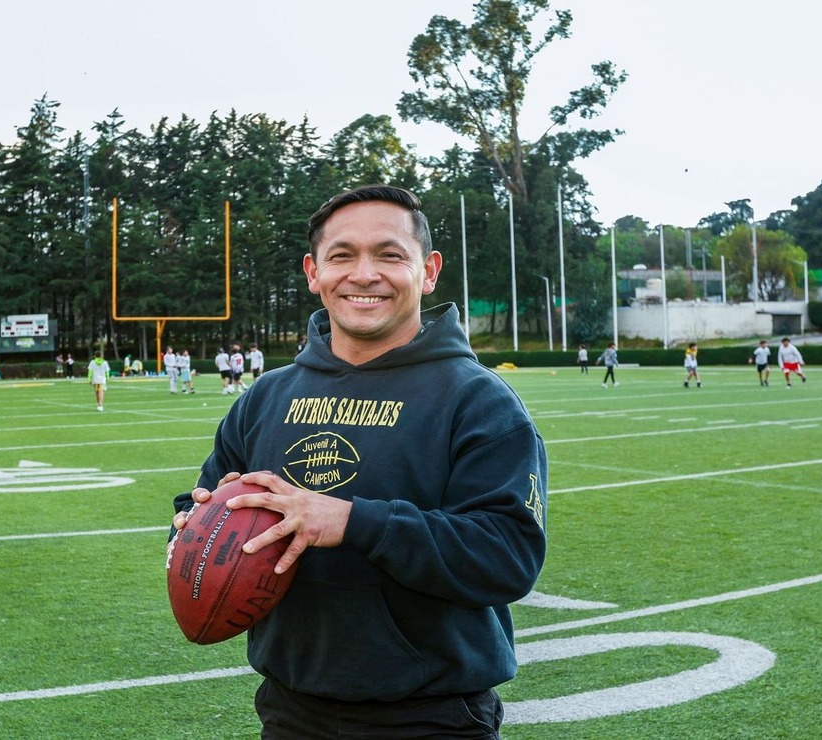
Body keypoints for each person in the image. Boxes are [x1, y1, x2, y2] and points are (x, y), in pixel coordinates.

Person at [169, 185, 547, 738]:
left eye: (390, 255)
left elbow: (507, 556)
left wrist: (352, 521)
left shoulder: (478, 401)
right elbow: (196, 504)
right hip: (291, 711)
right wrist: (197, 521)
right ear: (314, 273)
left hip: (431, 718)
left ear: (428, 271)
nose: (364, 275)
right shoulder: (266, 396)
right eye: (342, 256)